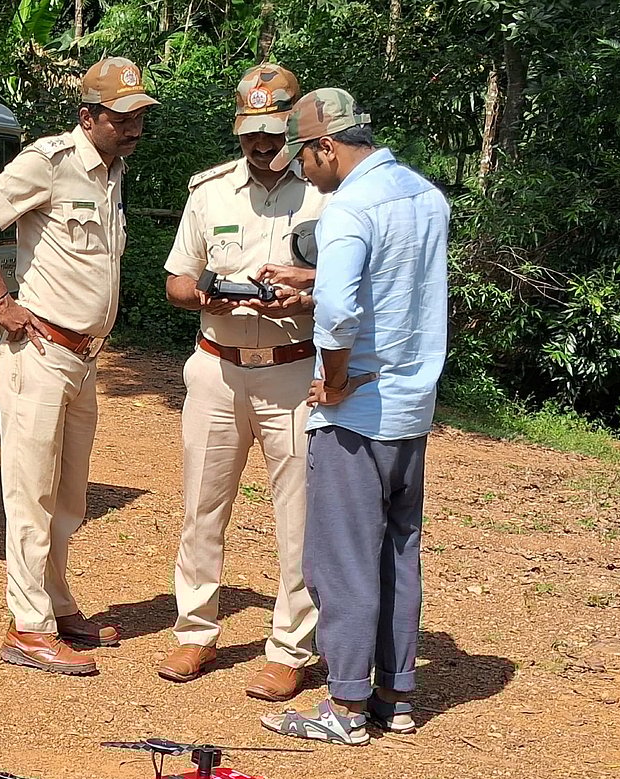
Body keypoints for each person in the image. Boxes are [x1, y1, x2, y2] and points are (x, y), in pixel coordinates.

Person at [0, 59, 158, 675]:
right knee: (30, 493)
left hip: (83, 359)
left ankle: (57, 605)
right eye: (122, 118)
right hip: (39, 355)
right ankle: (28, 627)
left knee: (67, 495)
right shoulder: (50, 161)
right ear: (88, 117)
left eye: (139, 117)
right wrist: (2, 302)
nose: (133, 128)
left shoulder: (113, 171)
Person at [259, 89, 450, 744]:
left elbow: (341, 316)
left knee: (340, 560)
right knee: (398, 551)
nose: (301, 172)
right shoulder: (424, 195)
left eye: (302, 160)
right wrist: (312, 281)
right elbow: (398, 285)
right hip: (410, 408)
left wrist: (334, 383)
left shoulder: (348, 208)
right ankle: (395, 696)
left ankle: (344, 706)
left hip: (358, 415)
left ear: (325, 146)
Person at [157, 64, 324, 703]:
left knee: (298, 517)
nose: (259, 143)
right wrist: (203, 294)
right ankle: (195, 630)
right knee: (202, 506)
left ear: (294, 129)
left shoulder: (326, 193)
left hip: (294, 369)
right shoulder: (210, 193)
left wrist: (306, 296)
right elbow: (177, 278)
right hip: (217, 369)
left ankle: (290, 649)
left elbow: (353, 284)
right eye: (250, 131)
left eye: (273, 132)